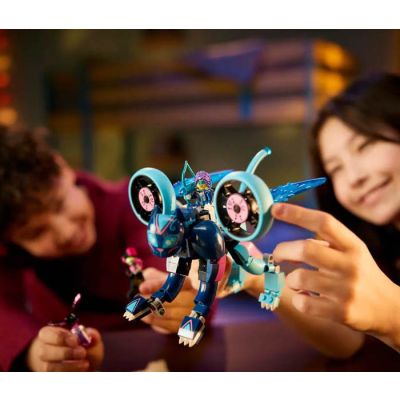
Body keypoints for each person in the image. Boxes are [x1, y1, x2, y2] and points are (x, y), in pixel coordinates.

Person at [0, 125, 198, 371]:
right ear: (10, 243)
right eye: (36, 232)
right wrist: (34, 354)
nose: (66, 232)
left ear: (62, 168)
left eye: (60, 204)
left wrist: (184, 297)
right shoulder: (14, 258)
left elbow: (183, 272)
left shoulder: (134, 206)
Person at [238, 72, 400, 357]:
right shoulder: (382, 246)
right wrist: (256, 276)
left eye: (365, 146)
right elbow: (350, 341)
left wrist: (392, 316)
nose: (354, 178)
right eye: (335, 168)